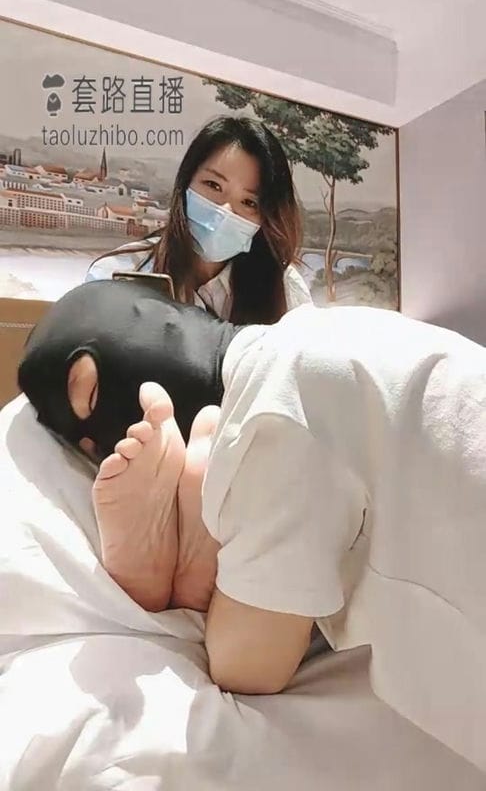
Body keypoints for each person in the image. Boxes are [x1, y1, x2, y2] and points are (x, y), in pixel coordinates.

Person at [18, 278, 486, 721]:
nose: (103, 444)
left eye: (94, 393)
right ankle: (205, 546)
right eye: (89, 448)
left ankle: (198, 567)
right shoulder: (329, 328)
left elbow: (251, 669)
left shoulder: (278, 403)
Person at [87, 115, 312, 323]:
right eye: (213, 185)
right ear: (186, 181)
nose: (225, 210)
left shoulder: (286, 292)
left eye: (249, 202)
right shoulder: (117, 273)